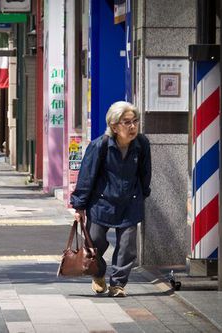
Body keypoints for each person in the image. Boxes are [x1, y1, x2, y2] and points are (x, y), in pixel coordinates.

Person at [70, 101, 151, 297]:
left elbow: (145, 172)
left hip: (130, 202)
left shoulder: (141, 144)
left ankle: (118, 284)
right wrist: (79, 206)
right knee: (95, 242)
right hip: (101, 203)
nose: (132, 127)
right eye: (127, 122)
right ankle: (98, 274)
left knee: (127, 246)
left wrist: (142, 193)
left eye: (135, 121)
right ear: (114, 126)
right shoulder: (101, 145)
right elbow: (86, 176)